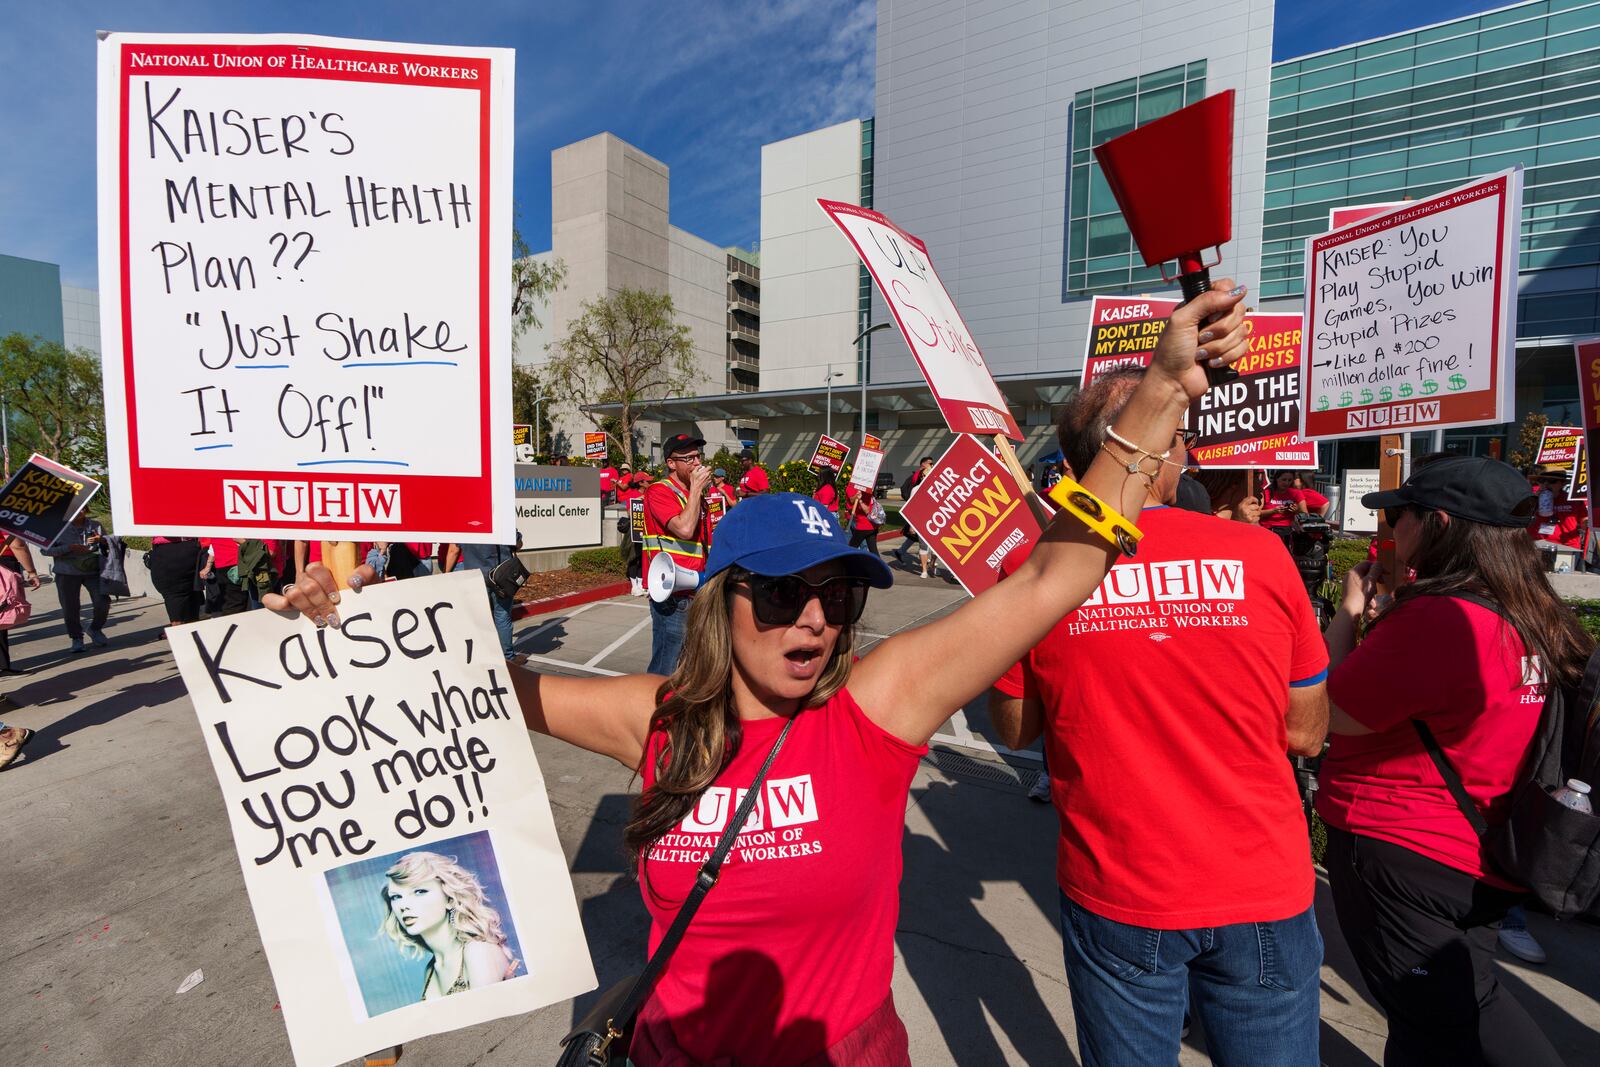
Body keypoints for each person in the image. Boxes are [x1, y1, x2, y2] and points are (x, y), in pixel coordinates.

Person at [266, 278, 1252, 1066]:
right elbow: (472, 677)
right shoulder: (653, 717)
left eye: (838, 594)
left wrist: (1160, 390)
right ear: (724, 597)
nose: (814, 617)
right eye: (782, 593)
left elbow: (1056, 571)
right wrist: (346, 609)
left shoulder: (878, 706)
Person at [987, 365, 1330, 1067]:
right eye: (1180, 436)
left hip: (1119, 886)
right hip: (1260, 883)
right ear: (1154, 450)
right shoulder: (1264, 555)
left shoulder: (1036, 566)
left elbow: (1017, 730)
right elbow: (1306, 730)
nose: (1189, 452)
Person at [1318, 455, 1584, 1067]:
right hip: (1486, 844)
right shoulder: (1531, 609)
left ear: (1436, 523)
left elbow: (1327, 713)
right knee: (1427, 1028)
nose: (1391, 531)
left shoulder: (1441, 618)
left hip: (1404, 846)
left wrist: (1350, 612)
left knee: (1461, 1012)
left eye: (1401, 517)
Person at [379, 851, 520, 1000]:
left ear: (450, 899)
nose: (403, 906)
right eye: (396, 896)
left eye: (419, 891)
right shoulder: (432, 969)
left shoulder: (478, 951)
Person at [642, 433, 715, 674]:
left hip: (695, 589)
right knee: (666, 668)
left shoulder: (695, 496)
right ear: (671, 463)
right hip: (672, 594)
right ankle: (654, 709)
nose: (697, 463)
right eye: (689, 458)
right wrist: (696, 490)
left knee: (689, 668)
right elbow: (684, 529)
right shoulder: (659, 491)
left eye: (698, 456)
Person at [41, 512, 111, 651]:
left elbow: (109, 543)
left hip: (92, 570)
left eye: (81, 509)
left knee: (102, 602)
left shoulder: (95, 525)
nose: (78, 512)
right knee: (70, 607)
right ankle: (76, 637)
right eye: (74, 509)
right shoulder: (57, 527)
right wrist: (69, 548)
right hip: (66, 572)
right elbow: (45, 550)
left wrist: (102, 540)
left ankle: (95, 629)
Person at [444, 538, 522, 660]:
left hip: (476, 576)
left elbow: (453, 550)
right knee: (502, 616)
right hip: (502, 575)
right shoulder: (501, 521)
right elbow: (517, 544)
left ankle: (481, 656)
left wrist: (446, 574)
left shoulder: (465, 524)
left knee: (477, 617)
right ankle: (508, 657)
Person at [147, 536, 205, 625]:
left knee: (174, 596)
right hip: (190, 548)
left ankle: (179, 629)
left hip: (167, 553)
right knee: (192, 594)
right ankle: (190, 629)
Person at [841, 480, 880, 556]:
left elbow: (867, 510)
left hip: (863, 527)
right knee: (873, 551)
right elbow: (851, 501)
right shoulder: (856, 488)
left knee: (851, 549)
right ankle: (878, 566)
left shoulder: (867, 493)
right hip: (868, 526)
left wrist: (860, 500)